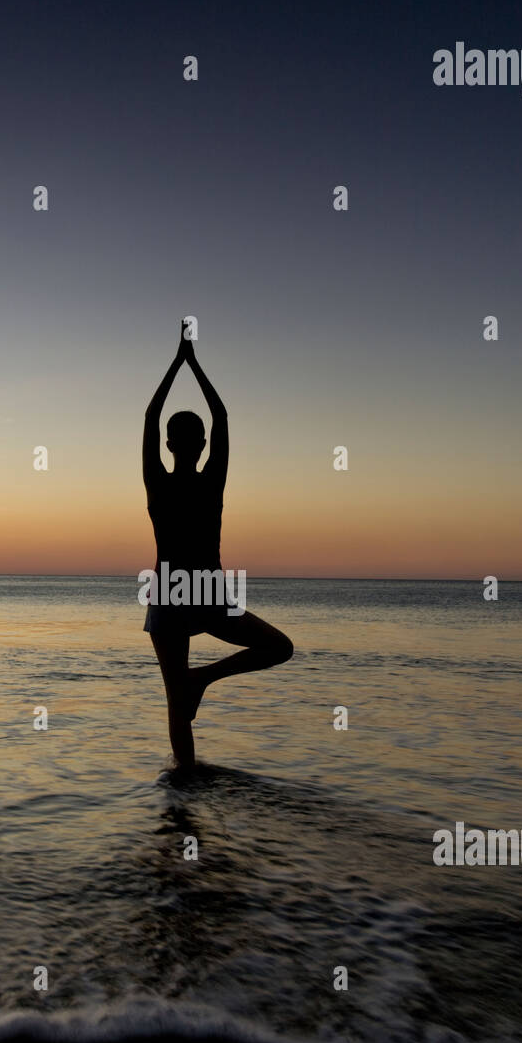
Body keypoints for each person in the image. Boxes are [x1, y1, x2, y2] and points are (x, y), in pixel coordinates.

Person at [142, 322, 293, 768]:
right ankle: (202, 681)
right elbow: (222, 417)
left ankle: (183, 787)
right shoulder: (211, 483)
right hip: (205, 592)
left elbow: (151, 418)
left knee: (176, 699)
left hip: (170, 590)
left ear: (169, 445)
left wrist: (177, 364)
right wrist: (193, 363)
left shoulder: (158, 483)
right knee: (279, 648)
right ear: (203, 444)